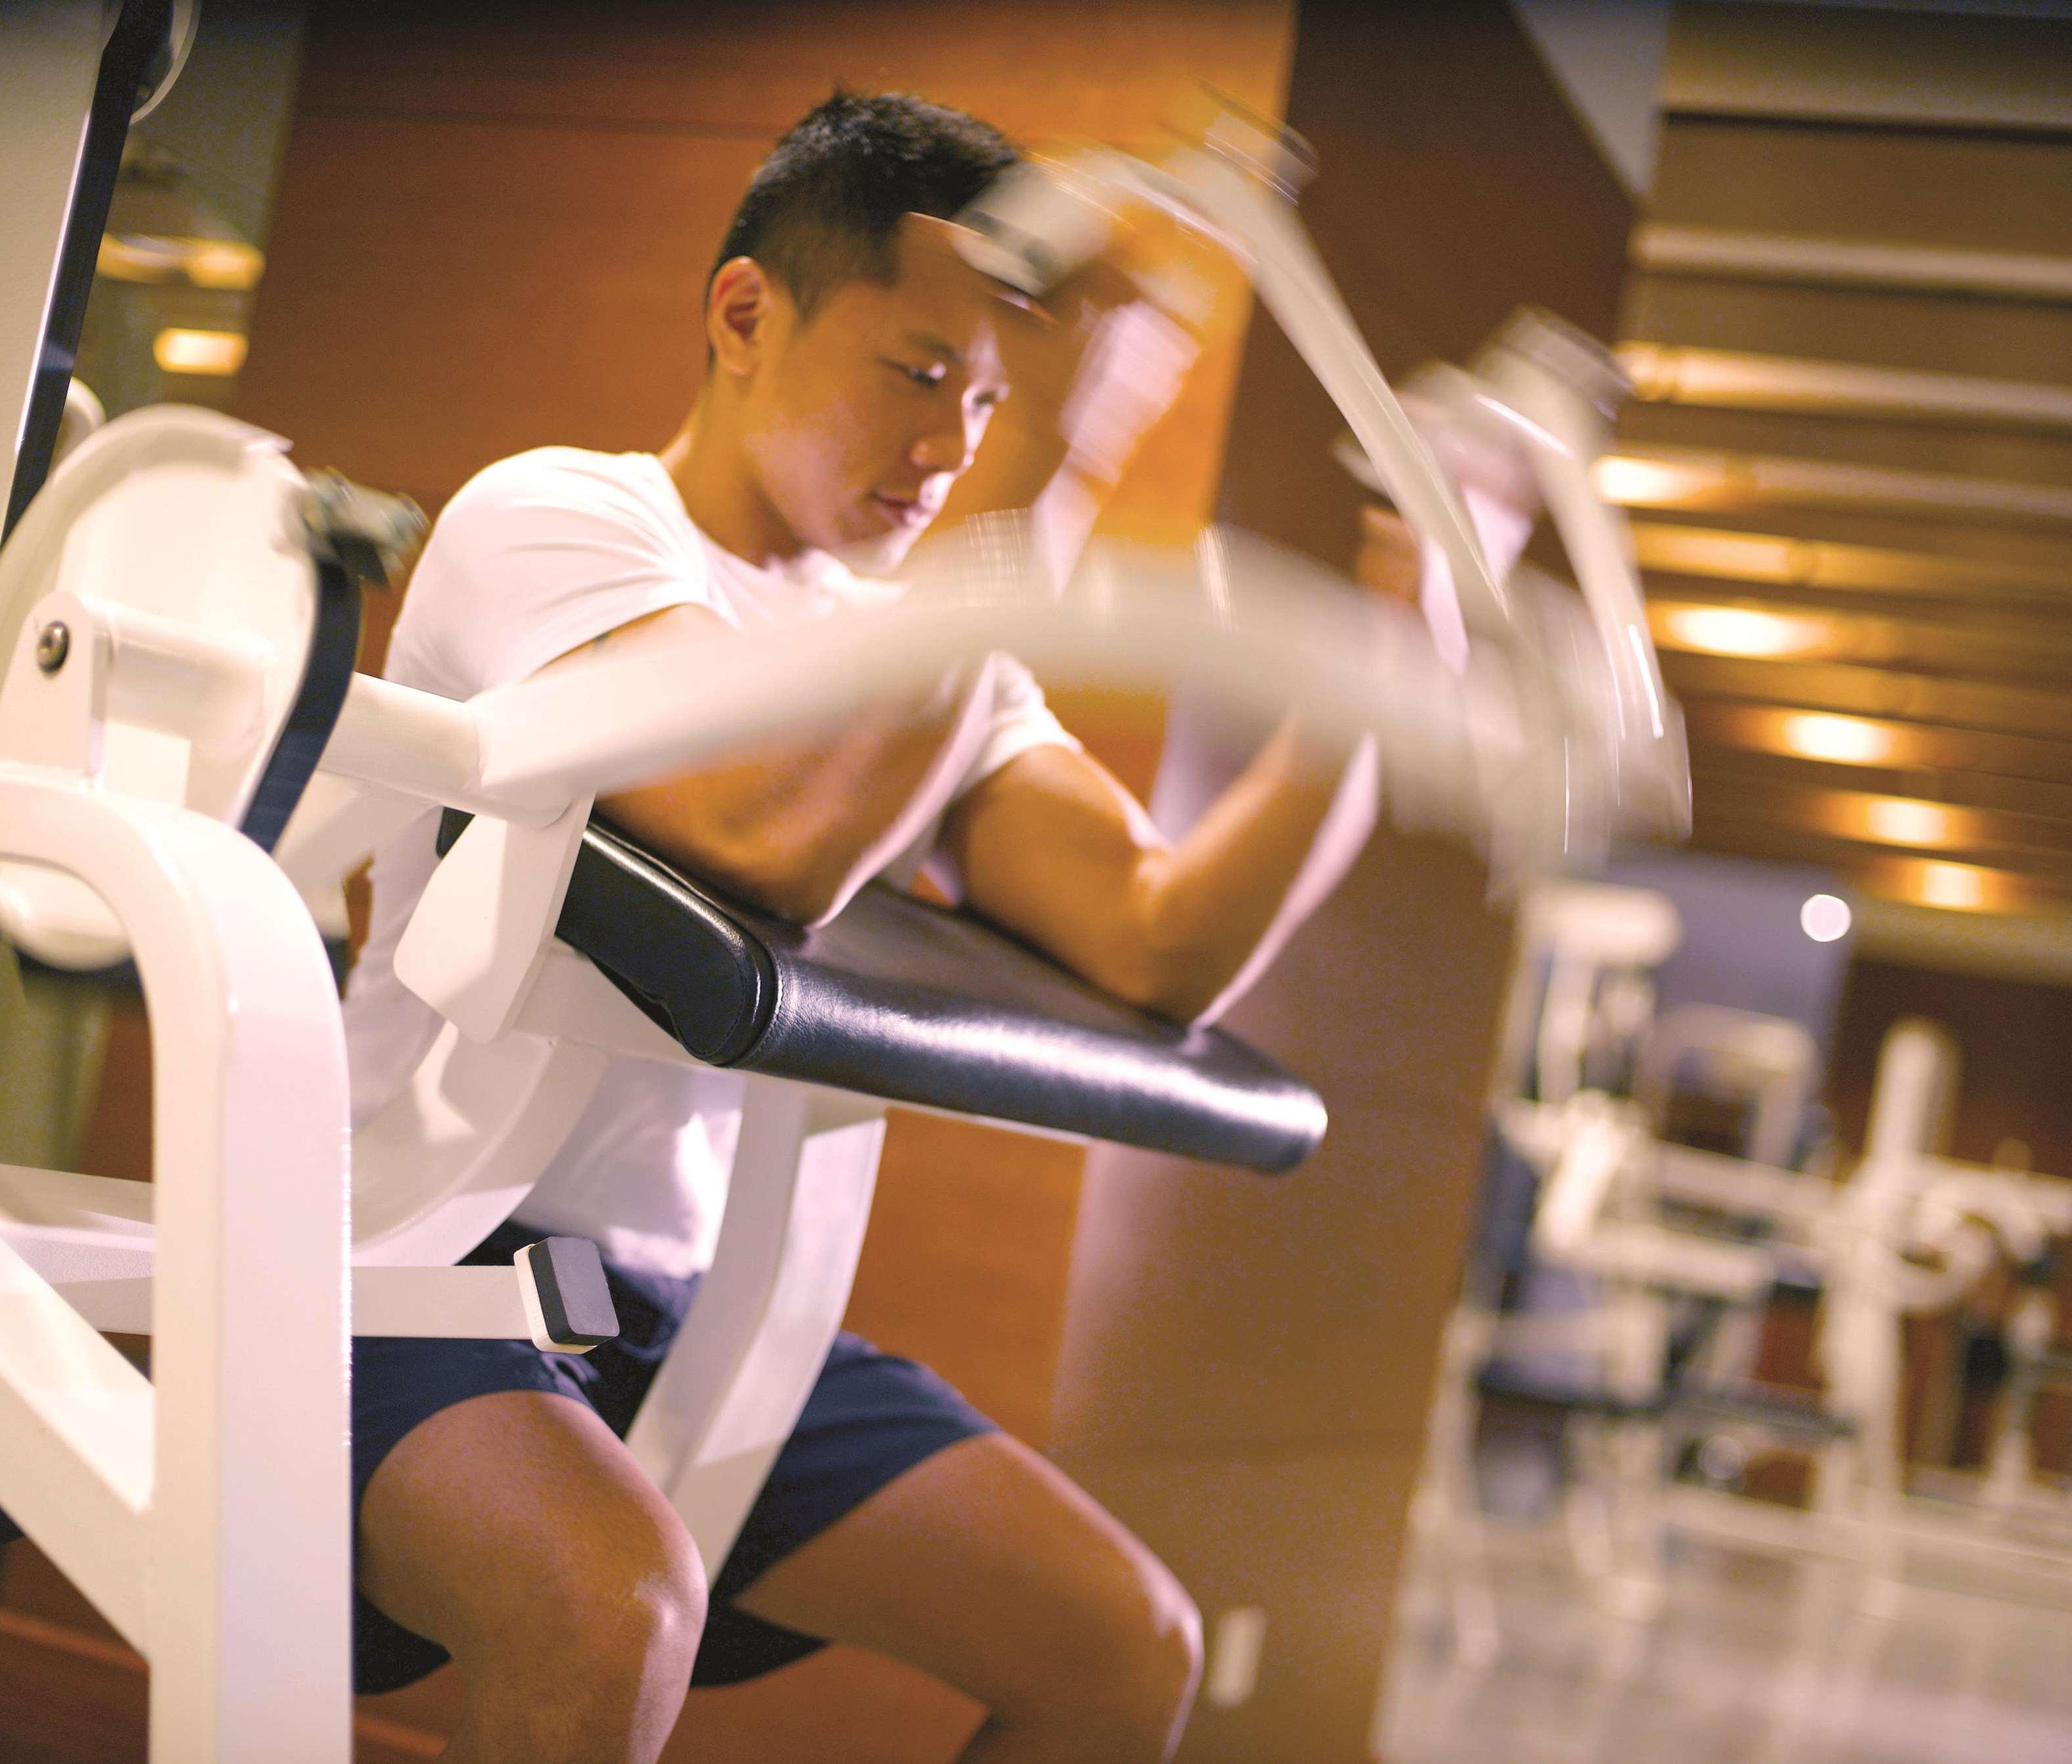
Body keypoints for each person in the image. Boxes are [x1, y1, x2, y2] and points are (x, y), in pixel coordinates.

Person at [342, 91, 1380, 1763]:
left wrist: (1385, 680)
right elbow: (769, 836)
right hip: (398, 1263)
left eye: (991, 400)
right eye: (923, 373)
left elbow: (1158, 941)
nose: (957, 441)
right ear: (746, 313)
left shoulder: (932, 650)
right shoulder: (564, 519)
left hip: (685, 1308)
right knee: (608, 1606)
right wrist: (1057, 459)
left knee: (1121, 1649)